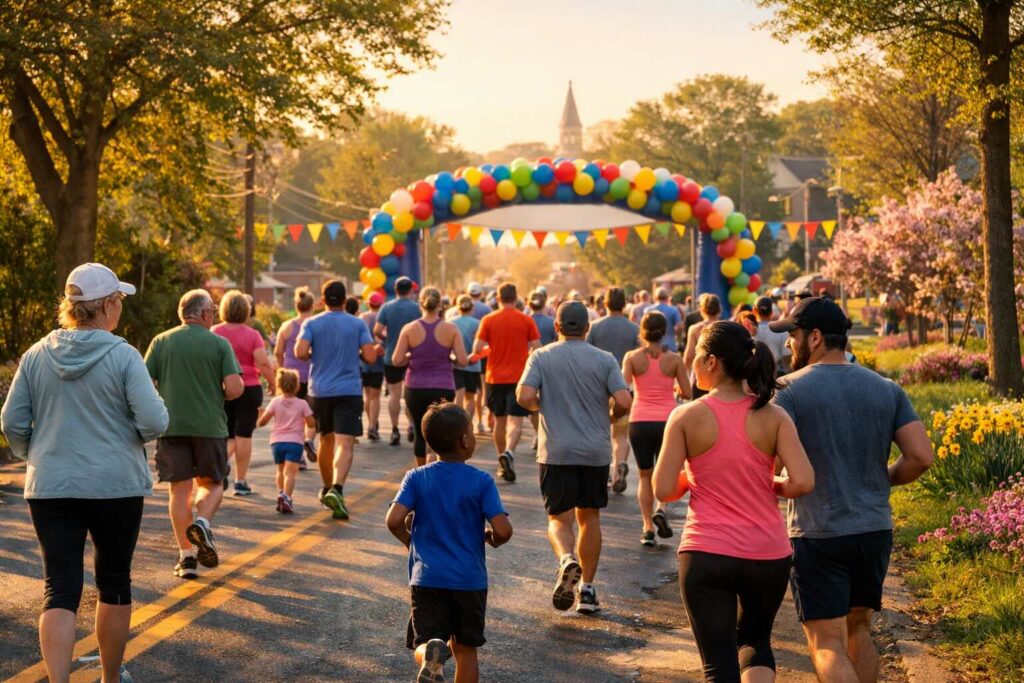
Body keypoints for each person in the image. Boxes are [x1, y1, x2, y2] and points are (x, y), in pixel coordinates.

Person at [1, 263, 168, 683]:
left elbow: (11, 422)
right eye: (119, 302)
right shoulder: (124, 356)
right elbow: (154, 421)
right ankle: (110, 677)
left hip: (51, 485)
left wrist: (36, 453)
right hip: (114, 485)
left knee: (59, 586)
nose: (120, 310)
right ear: (107, 306)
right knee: (113, 580)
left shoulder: (37, 354)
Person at [769, 297, 934, 683]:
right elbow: (921, 457)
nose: (788, 344)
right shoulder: (886, 388)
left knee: (826, 641)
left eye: (792, 335)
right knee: (859, 628)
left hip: (818, 531)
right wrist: (883, 479)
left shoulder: (787, 391)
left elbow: (769, 466)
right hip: (873, 529)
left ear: (814, 337)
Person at [653, 320, 815, 683]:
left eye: (695, 354)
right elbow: (803, 481)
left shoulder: (686, 416)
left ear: (711, 362)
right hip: (767, 554)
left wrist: (692, 478)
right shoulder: (773, 415)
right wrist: (771, 484)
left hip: (707, 553)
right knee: (756, 642)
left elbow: (663, 490)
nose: (690, 361)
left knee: (718, 664)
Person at [516, 301, 632, 614]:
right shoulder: (605, 359)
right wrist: (611, 412)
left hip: (556, 449)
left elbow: (524, 396)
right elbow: (624, 398)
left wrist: (543, 406)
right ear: (587, 328)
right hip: (594, 450)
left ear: (557, 327)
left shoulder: (541, 356)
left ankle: (567, 559)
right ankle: (588, 591)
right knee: (589, 517)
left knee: (558, 518)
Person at [385, 402, 513, 683]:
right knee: (466, 652)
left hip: (427, 578)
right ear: (465, 440)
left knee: (425, 641)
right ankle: (437, 654)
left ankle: (429, 655)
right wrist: (492, 539)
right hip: (469, 581)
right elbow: (503, 530)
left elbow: (394, 520)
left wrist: (411, 543)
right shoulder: (481, 481)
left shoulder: (417, 477)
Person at [145, 289, 244, 578]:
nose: (213, 314)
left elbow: (144, 382)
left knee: (179, 490)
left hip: (171, 426)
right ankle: (202, 523)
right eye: (212, 309)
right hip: (209, 427)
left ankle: (186, 557)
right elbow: (235, 388)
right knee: (213, 483)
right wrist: (218, 393)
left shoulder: (161, 342)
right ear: (203, 314)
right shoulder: (219, 344)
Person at [295, 279, 378, 520]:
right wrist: (361, 351)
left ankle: (327, 487)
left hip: (319, 391)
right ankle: (337, 488)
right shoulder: (357, 324)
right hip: (349, 390)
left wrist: (315, 354)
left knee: (326, 441)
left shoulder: (311, 323)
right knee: (345, 443)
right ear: (344, 300)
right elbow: (370, 356)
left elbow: (300, 352)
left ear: (322, 300)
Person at [622, 311, 689, 547]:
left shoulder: (632, 357)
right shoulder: (674, 359)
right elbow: (688, 392)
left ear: (642, 331)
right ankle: (661, 508)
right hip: (667, 422)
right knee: (667, 471)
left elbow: (624, 389)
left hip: (639, 421)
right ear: (665, 331)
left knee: (644, 476)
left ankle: (647, 527)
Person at [391, 287, 469, 467]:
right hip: (443, 386)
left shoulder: (409, 329)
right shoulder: (450, 328)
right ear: (440, 305)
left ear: (421, 304)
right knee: (441, 432)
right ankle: (437, 470)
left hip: (416, 387)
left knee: (420, 430)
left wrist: (411, 357)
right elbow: (463, 361)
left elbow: (396, 360)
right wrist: (450, 358)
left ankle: (421, 474)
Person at [474, 282, 540, 483]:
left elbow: (477, 348)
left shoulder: (488, 320)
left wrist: (490, 349)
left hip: (495, 377)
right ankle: (509, 452)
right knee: (516, 420)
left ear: (498, 298)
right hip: (519, 377)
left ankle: (501, 457)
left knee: (500, 420)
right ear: (516, 297)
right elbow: (537, 347)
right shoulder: (526, 320)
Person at [213, 290, 276, 496]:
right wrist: (274, 384)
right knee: (244, 435)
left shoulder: (214, 331)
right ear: (246, 311)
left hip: (222, 388)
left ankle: (219, 467)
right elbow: (262, 362)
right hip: (249, 387)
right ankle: (240, 481)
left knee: (227, 433)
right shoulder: (252, 335)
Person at [586, 287, 640, 494]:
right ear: (625, 304)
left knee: (601, 432)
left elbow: (587, 356)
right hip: (625, 389)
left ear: (604, 304)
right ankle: (620, 466)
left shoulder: (594, 327)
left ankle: (606, 472)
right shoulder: (634, 329)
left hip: (598, 389)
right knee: (621, 433)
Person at [256, 368, 315, 514]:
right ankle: (287, 497)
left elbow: (262, 422)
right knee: (290, 473)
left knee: (280, 470)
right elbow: (312, 423)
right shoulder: (302, 404)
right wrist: (309, 418)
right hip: (295, 442)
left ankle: (281, 493)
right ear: (297, 386)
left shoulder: (275, 402)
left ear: (279, 385)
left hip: (277, 442)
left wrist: (261, 415)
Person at [274, 287, 318, 466]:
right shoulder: (315, 324)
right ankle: (308, 440)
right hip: (313, 376)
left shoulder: (287, 326)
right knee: (309, 415)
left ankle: (297, 455)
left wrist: (281, 370)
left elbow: (278, 351)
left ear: (296, 305)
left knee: (293, 417)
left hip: (291, 378)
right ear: (312, 305)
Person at [375, 277, 422, 446]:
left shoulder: (386, 307)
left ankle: (395, 430)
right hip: (413, 356)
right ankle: (411, 426)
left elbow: (377, 330)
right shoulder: (417, 308)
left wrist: (387, 339)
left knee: (394, 394)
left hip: (391, 356)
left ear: (395, 290)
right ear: (410, 290)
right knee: (410, 393)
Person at [683, 294, 723, 400]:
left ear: (702, 310)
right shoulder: (727, 327)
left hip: (701, 376)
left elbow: (689, 356)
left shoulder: (695, 329)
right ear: (719, 309)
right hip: (724, 377)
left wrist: (686, 376)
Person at [452, 295, 483, 427]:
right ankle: (465, 424)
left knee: (458, 394)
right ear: (472, 307)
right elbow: (481, 346)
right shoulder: (478, 323)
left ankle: (455, 422)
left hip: (456, 363)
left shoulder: (451, 322)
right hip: (473, 365)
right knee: (470, 397)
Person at [360, 291, 386, 441]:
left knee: (367, 395)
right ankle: (372, 426)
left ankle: (371, 423)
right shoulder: (381, 319)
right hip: (378, 361)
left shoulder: (362, 318)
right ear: (381, 304)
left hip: (363, 360)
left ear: (368, 304)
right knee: (375, 396)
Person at [753, 296, 791, 375]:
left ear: (754, 311)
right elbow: (787, 358)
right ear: (771, 312)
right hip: (775, 375)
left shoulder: (748, 331)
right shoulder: (781, 330)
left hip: (754, 375)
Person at [650, 287, 683, 352]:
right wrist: (674, 334)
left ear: (655, 297)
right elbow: (680, 326)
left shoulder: (648, 310)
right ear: (667, 297)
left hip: (652, 346)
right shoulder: (674, 310)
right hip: (670, 344)